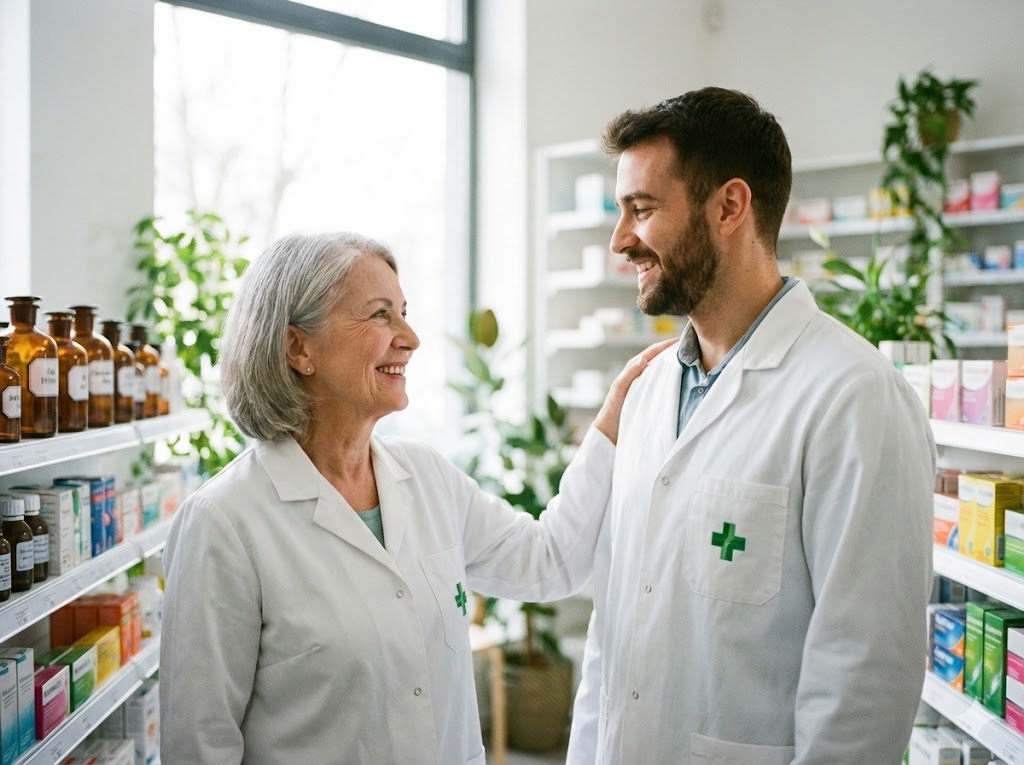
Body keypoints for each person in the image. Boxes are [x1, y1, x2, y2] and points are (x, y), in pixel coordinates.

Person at [159, 231, 673, 764]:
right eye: (380, 315)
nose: (410, 337)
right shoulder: (224, 522)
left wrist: (612, 420)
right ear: (298, 347)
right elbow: (199, 747)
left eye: (403, 312)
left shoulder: (426, 477)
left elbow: (549, 561)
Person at [565, 88, 936, 765]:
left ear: (729, 206)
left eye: (642, 210)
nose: (621, 241)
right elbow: (611, 632)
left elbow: (865, 680)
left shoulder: (854, 397)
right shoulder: (649, 394)